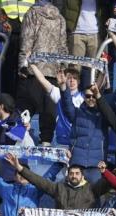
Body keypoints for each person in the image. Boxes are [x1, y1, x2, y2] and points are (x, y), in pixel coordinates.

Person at [17, 0, 67, 145]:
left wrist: (23, 67)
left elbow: (26, 42)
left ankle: (16, 139)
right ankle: (46, 141)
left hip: (34, 69)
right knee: (49, 109)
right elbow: (63, 46)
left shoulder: (32, 14)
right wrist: (62, 68)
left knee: (25, 106)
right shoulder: (60, 18)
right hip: (54, 71)